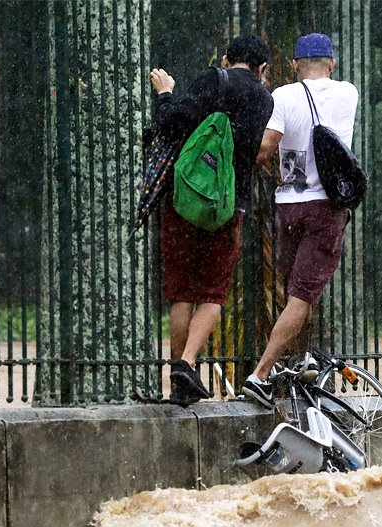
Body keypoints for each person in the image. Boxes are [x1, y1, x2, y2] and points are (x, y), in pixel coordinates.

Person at [149, 35, 274, 405]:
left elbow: (169, 124)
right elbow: (252, 153)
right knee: (212, 291)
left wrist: (166, 92)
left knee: (181, 290)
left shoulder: (213, 80)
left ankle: (180, 372)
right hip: (228, 205)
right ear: (263, 69)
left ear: (225, 58)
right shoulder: (265, 100)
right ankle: (188, 362)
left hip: (185, 201)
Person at [242, 33, 359, 408]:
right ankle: (260, 375)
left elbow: (266, 147)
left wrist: (270, 167)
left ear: (293, 64)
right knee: (302, 297)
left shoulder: (283, 95)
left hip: (289, 208)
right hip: (326, 208)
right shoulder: (347, 93)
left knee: (298, 293)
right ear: (332, 63)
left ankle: (304, 360)